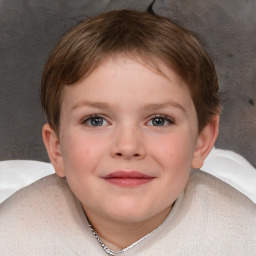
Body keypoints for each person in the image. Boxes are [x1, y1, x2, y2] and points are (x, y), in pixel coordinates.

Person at [0, 9, 255, 255]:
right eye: (96, 120)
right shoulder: (12, 235)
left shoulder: (243, 236)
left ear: (202, 140)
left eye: (158, 121)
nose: (128, 146)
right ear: (57, 149)